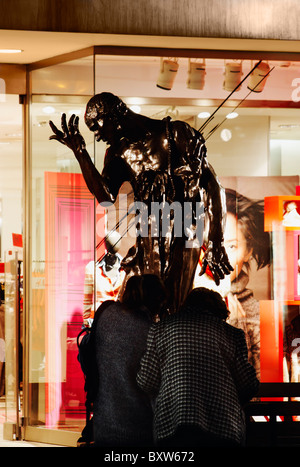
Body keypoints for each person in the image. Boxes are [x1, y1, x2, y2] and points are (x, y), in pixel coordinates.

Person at [49, 92, 232, 312]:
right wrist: (80, 153)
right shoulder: (118, 153)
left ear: (116, 115)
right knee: (141, 306)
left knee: (172, 305)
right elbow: (106, 197)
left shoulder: (176, 134)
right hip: (148, 232)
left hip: (185, 228)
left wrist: (215, 241)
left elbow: (212, 185)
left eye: (97, 127)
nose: (97, 136)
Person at [137, 287, 259, 447]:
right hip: (223, 429)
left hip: (173, 426)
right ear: (220, 311)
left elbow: (146, 381)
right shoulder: (232, 334)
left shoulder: (160, 330)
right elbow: (247, 385)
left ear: (186, 306)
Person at [194, 189, 271, 379]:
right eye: (210, 245)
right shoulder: (179, 305)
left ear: (248, 250)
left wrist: (237, 330)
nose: (219, 258)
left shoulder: (258, 315)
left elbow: (258, 387)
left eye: (231, 246)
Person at [92, 273, 167, 447]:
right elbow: (150, 383)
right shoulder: (151, 332)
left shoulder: (106, 313)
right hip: (137, 428)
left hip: (103, 423)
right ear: (155, 302)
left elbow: (86, 356)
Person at [83, 231, 125, 327]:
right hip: (98, 323)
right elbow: (87, 300)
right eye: (110, 241)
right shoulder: (92, 269)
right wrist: (87, 324)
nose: (113, 244)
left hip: (119, 324)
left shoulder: (125, 269)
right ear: (105, 244)